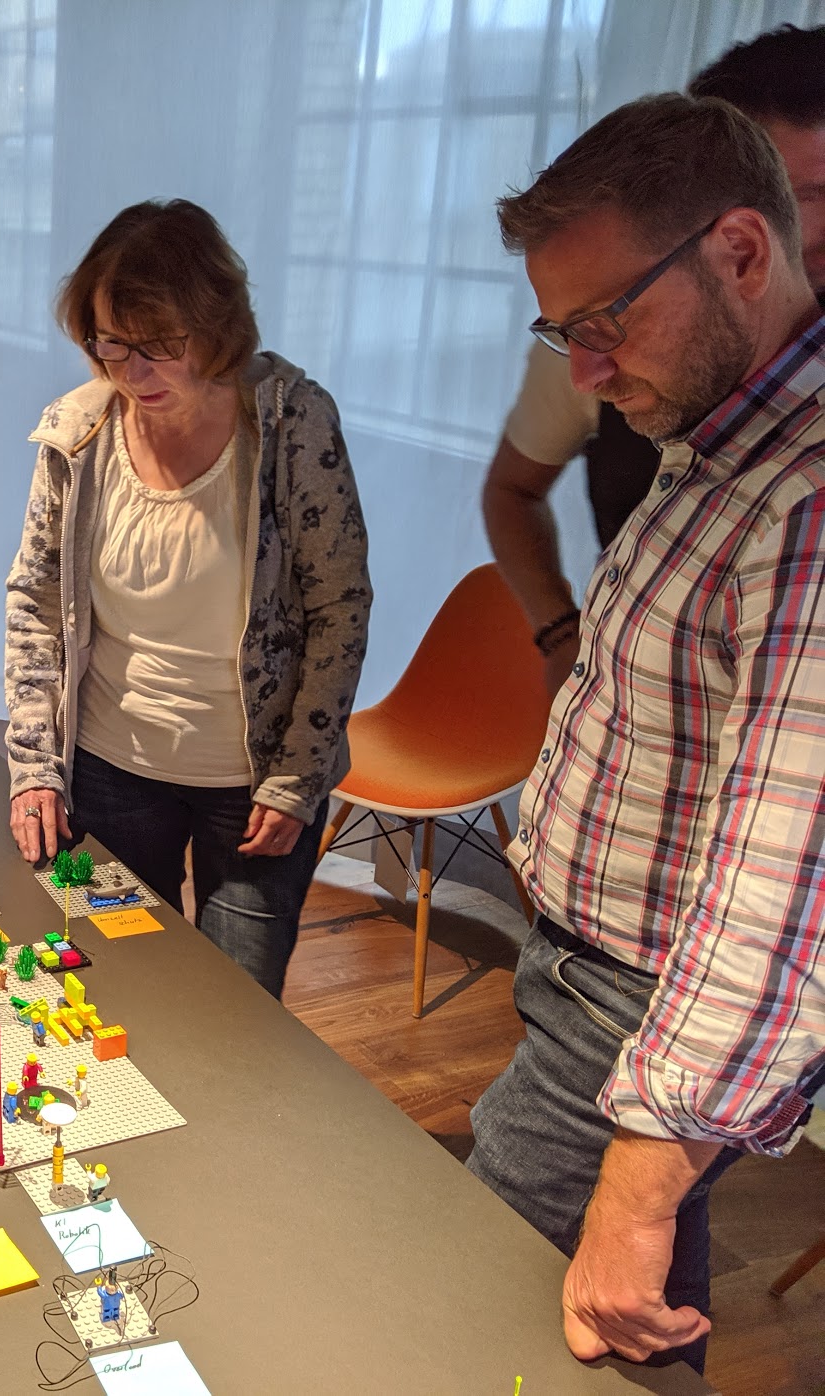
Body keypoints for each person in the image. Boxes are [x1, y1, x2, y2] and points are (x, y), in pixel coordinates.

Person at [468, 93, 825, 1374]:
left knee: (471, 1290)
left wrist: (636, 1186)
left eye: (603, 323)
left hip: (633, 1008)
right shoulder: (712, 433)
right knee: (625, 1329)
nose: (583, 370)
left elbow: (784, 878)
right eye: (561, 331)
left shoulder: (805, 502)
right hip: (592, 972)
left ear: (737, 252)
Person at [3, 199, 372, 999]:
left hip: (256, 786)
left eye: (160, 345)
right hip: (110, 768)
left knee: (235, 1012)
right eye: (112, 343)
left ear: (216, 326)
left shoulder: (290, 422)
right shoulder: (78, 432)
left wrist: (299, 776)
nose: (133, 373)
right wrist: (34, 765)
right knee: (121, 991)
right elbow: (34, 600)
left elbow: (339, 608)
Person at [481, 24, 825, 692]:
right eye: (784, 193)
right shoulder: (599, 340)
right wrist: (562, 633)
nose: (796, 228)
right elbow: (511, 489)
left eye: (809, 197)